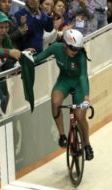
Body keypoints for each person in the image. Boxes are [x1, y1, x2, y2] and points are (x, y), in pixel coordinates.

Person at [34, 29, 94, 160]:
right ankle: (62, 135)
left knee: (80, 116)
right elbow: (38, 58)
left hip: (78, 84)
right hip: (64, 81)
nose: (75, 52)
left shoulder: (80, 55)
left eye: (78, 49)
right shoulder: (56, 48)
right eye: (73, 49)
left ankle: (87, 145)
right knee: (55, 103)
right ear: (65, 44)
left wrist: (86, 98)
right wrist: (25, 58)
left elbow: (83, 76)